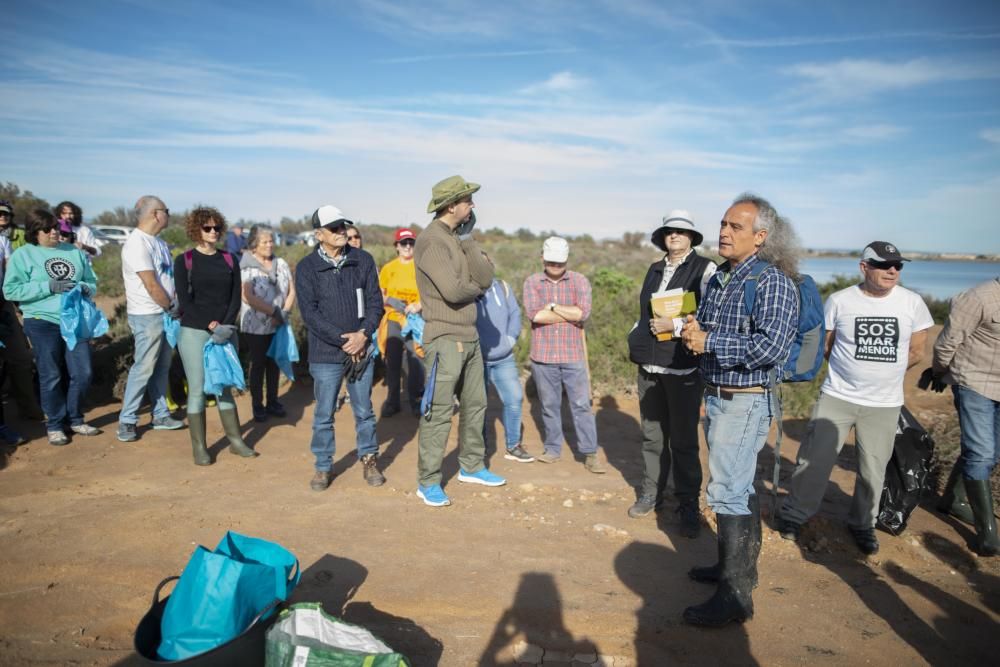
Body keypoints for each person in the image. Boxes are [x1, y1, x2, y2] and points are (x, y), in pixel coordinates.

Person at [680, 193, 799, 627]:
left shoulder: (773, 283)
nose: (724, 232)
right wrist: (697, 329)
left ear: (761, 237)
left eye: (736, 227)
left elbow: (772, 347)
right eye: (724, 224)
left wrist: (709, 342)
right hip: (719, 396)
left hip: (746, 400)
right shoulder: (721, 278)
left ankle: (734, 596)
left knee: (728, 489)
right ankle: (735, 573)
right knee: (738, 486)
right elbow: (716, 328)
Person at [778, 242, 933, 556]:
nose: (892, 271)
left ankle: (863, 524)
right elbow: (827, 345)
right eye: (884, 265)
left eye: (898, 266)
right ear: (864, 267)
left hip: (885, 404)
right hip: (838, 396)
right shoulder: (840, 300)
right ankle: (795, 516)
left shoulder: (912, 303)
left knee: (873, 468)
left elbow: (917, 350)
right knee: (814, 461)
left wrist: (884, 373)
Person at [413, 175, 504, 507]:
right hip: (444, 338)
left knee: (476, 404)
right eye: (467, 200)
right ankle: (428, 481)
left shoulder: (457, 237)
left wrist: (468, 241)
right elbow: (454, 291)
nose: (473, 205)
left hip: (471, 336)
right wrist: (474, 287)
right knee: (438, 412)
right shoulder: (431, 240)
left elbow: (486, 276)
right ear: (451, 205)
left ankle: (471, 466)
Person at [626, 210, 717, 535]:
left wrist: (675, 325)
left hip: (682, 368)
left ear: (691, 237)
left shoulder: (706, 269)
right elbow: (644, 312)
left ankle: (688, 505)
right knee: (652, 435)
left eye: (681, 232)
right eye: (669, 232)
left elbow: (710, 315)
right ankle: (651, 493)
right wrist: (634, 335)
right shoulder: (654, 268)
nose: (674, 236)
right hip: (649, 366)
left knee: (683, 440)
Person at [296, 205, 384, 490]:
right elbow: (309, 314)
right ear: (319, 234)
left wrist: (363, 334)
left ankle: (369, 459)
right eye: (334, 229)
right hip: (326, 354)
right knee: (324, 413)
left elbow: (375, 304)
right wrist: (345, 340)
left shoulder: (363, 260)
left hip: (361, 350)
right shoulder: (307, 267)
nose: (342, 232)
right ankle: (323, 466)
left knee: (364, 410)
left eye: (343, 227)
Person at [3, 209, 101, 445]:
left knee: (83, 372)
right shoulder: (23, 255)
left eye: (56, 227)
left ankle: (75, 418)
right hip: (41, 321)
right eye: (48, 229)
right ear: (35, 232)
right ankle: (56, 424)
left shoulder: (73, 252)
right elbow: (10, 290)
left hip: (75, 320)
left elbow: (91, 280)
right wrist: (49, 286)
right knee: (52, 375)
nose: (55, 232)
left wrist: (87, 289)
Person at [173, 206, 257, 465]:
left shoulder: (230, 259)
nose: (212, 232)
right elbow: (185, 302)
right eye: (206, 227)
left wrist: (225, 325)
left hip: (226, 330)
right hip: (194, 332)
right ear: (196, 230)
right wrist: (212, 326)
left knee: (224, 388)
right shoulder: (184, 260)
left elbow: (235, 298)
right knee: (197, 390)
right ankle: (200, 447)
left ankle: (235, 441)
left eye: (216, 228)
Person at [522, 236, 606, 474]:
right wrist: (569, 313)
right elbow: (535, 315)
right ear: (542, 258)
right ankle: (552, 449)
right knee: (549, 406)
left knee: (581, 405)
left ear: (566, 260)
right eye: (551, 262)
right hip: (543, 356)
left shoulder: (579, 281)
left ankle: (589, 453)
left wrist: (552, 307)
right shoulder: (532, 282)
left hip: (573, 355)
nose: (555, 267)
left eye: (559, 263)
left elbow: (583, 313)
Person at [932, 276, 1000, 556]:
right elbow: (948, 340)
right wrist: (938, 372)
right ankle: (988, 533)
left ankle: (953, 500)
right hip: (974, 382)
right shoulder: (980, 297)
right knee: (982, 453)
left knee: (991, 452)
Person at [116, 196, 185, 442]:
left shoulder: (159, 243)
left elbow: (168, 279)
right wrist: (171, 306)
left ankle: (160, 414)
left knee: (162, 367)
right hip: (148, 315)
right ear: (156, 214)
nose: (168, 214)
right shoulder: (137, 244)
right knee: (144, 367)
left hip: (165, 314)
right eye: (166, 210)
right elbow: (151, 284)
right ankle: (127, 420)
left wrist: (173, 305)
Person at [239, 225, 296, 423]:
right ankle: (257, 404)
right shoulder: (247, 266)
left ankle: (273, 401)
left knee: (274, 364)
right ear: (254, 244)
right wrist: (274, 312)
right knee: (258, 365)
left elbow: (291, 291)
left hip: (279, 322)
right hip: (255, 326)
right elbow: (247, 296)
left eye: (271, 241)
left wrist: (284, 313)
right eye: (265, 242)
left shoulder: (280, 263)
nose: (269, 245)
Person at [476, 274, 532, 462]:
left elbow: (515, 314)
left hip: (504, 358)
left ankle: (513, 445)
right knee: (478, 404)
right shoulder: (465, 290)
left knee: (514, 398)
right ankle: (478, 447)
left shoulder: (502, 287)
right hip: (477, 360)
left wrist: (510, 340)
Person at [0, 200, 43, 421]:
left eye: (5, 214)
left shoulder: (3, 241)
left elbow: (9, 273)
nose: (2, 218)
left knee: (21, 358)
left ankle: (29, 409)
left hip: (3, 306)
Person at [378, 228, 424, 418]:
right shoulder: (389, 268)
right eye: (403, 243)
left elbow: (429, 294)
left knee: (415, 361)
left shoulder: (421, 268)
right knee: (393, 361)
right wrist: (390, 301)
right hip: (394, 319)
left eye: (410, 243)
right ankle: (393, 401)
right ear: (396, 246)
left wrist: (418, 305)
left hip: (414, 320)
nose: (407, 247)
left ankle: (415, 400)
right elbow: (380, 294)